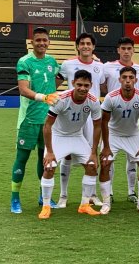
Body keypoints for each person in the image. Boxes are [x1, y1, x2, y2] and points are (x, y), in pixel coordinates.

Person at [10, 27, 61, 214]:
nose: (41, 43)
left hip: (48, 120)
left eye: (44, 40)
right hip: (29, 119)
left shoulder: (52, 61)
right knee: (22, 159)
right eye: (38, 40)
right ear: (32, 42)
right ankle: (15, 198)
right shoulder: (25, 61)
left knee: (45, 159)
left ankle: (43, 196)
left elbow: (60, 76)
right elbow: (23, 89)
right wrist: (43, 97)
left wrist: (93, 59)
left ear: (49, 42)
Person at [39, 70, 102, 219]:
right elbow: (47, 126)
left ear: (91, 85)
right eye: (79, 84)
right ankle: (46, 206)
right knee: (49, 167)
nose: (82, 88)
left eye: (86, 85)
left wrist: (94, 152)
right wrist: (49, 151)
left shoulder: (93, 101)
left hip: (77, 136)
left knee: (92, 166)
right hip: (58, 135)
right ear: (73, 83)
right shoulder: (61, 99)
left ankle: (84, 204)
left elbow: (98, 126)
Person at [56, 32, 105, 208]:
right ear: (77, 46)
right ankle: (63, 196)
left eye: (89, 44)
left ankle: (91, 195)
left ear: (93, 47)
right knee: (67, 155)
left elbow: (105, 86)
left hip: (91, 116)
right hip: (70, 116)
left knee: (92, 154)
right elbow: (54, 84)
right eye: (82, 43)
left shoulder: (101, 66)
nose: (85, 46)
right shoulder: (68, 64)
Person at [103, 37, 139, 203]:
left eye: (129, 48)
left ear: (133, 50)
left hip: (132, 123)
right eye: (123, 48)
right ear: (118, 50)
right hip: (113, 119)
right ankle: (108, 193)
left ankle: (132, 192)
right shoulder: (107, 67)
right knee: (107, 161)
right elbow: (102, 84)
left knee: (134, 160)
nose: (126, 51)